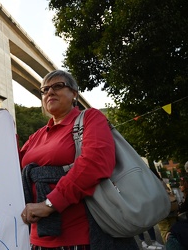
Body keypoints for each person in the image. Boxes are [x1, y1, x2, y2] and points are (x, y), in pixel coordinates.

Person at [19, 69, 138, 249]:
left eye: (58, 86)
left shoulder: (90, 117)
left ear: (74, 93)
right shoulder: (36, 136)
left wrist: (50, 204)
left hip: (82, 237)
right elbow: (9, 167)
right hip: (37, 240)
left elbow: (95, 162)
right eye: (44, 90)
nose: (49, 92)